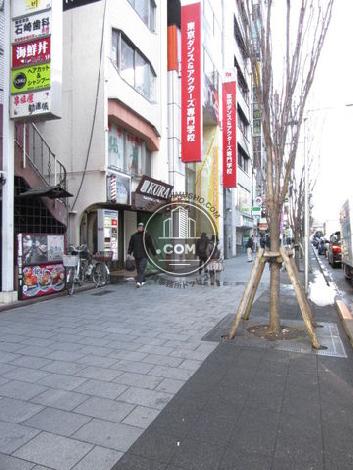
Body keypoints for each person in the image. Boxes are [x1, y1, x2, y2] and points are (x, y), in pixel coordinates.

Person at [128, 222, 156, 287]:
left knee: (141, 268)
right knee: (138, 269)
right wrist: (129, 253)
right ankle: (143, 280)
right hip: (136, 255)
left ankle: (139, 282)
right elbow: (131, 245)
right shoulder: (133, 236)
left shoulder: (147, 235)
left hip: (144, 255)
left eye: (141, 227)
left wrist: (153, 253)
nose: (140, 228)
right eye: (139, 227)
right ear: (137, 228)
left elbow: (150, 245)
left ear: (143, 228)